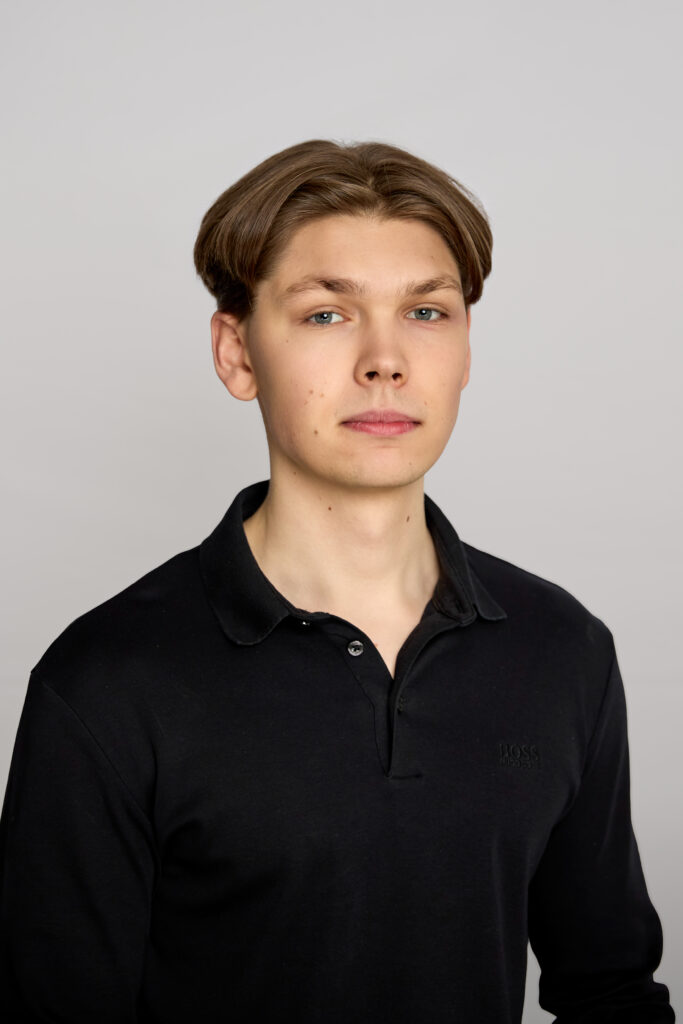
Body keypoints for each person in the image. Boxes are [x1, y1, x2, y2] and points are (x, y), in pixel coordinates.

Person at [0, 139, 675, 1023]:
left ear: (466, 351)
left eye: (426, 312)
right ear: (238, 354)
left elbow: (610, 993)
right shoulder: (107, 682)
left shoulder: (560, 649)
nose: (384, 360)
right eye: (326, 314)